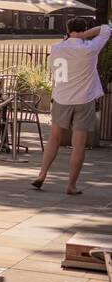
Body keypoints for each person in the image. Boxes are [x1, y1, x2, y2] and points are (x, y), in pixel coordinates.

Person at [33, 17, 111, 195]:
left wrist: (73, 36)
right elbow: (106, 29)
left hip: (61, 97)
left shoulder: (56, 48)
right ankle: (71, 185)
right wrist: (85, 35)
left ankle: (42, 174)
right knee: (78, 144)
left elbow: (57, 73)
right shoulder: (89, 49)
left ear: (67, 30)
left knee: (54, 138)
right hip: (84, 99)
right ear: (84, 30)